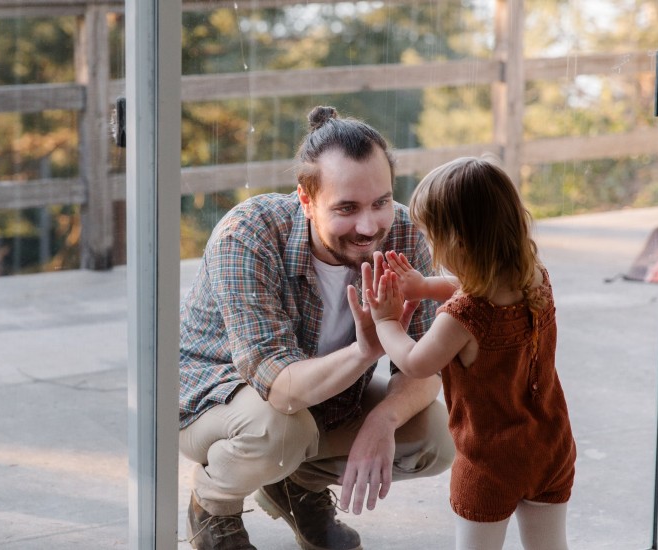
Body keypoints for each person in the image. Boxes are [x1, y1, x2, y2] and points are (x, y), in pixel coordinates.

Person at [179, 106, 456, 550]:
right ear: (306, 200)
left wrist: (382, 421)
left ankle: (296, 487)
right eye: (346, 208)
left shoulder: (403, 232)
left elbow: (427, 365)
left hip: (324, 400)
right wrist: (365, 351)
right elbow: (282, 388)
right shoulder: (247, 234)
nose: (369, 227)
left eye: (380, 202)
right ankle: (212, 504)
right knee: (283, 431)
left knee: (436, 437)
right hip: (216, 401)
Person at [365, 157, 577, 550]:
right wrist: (426, 286)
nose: (430, 246)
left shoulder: (462, 318)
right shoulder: (534, 277)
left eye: (432, 237)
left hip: (490, 463)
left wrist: (385, 322)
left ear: (458, 243)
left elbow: (416, 362)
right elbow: (478, 285)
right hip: (550, 447)